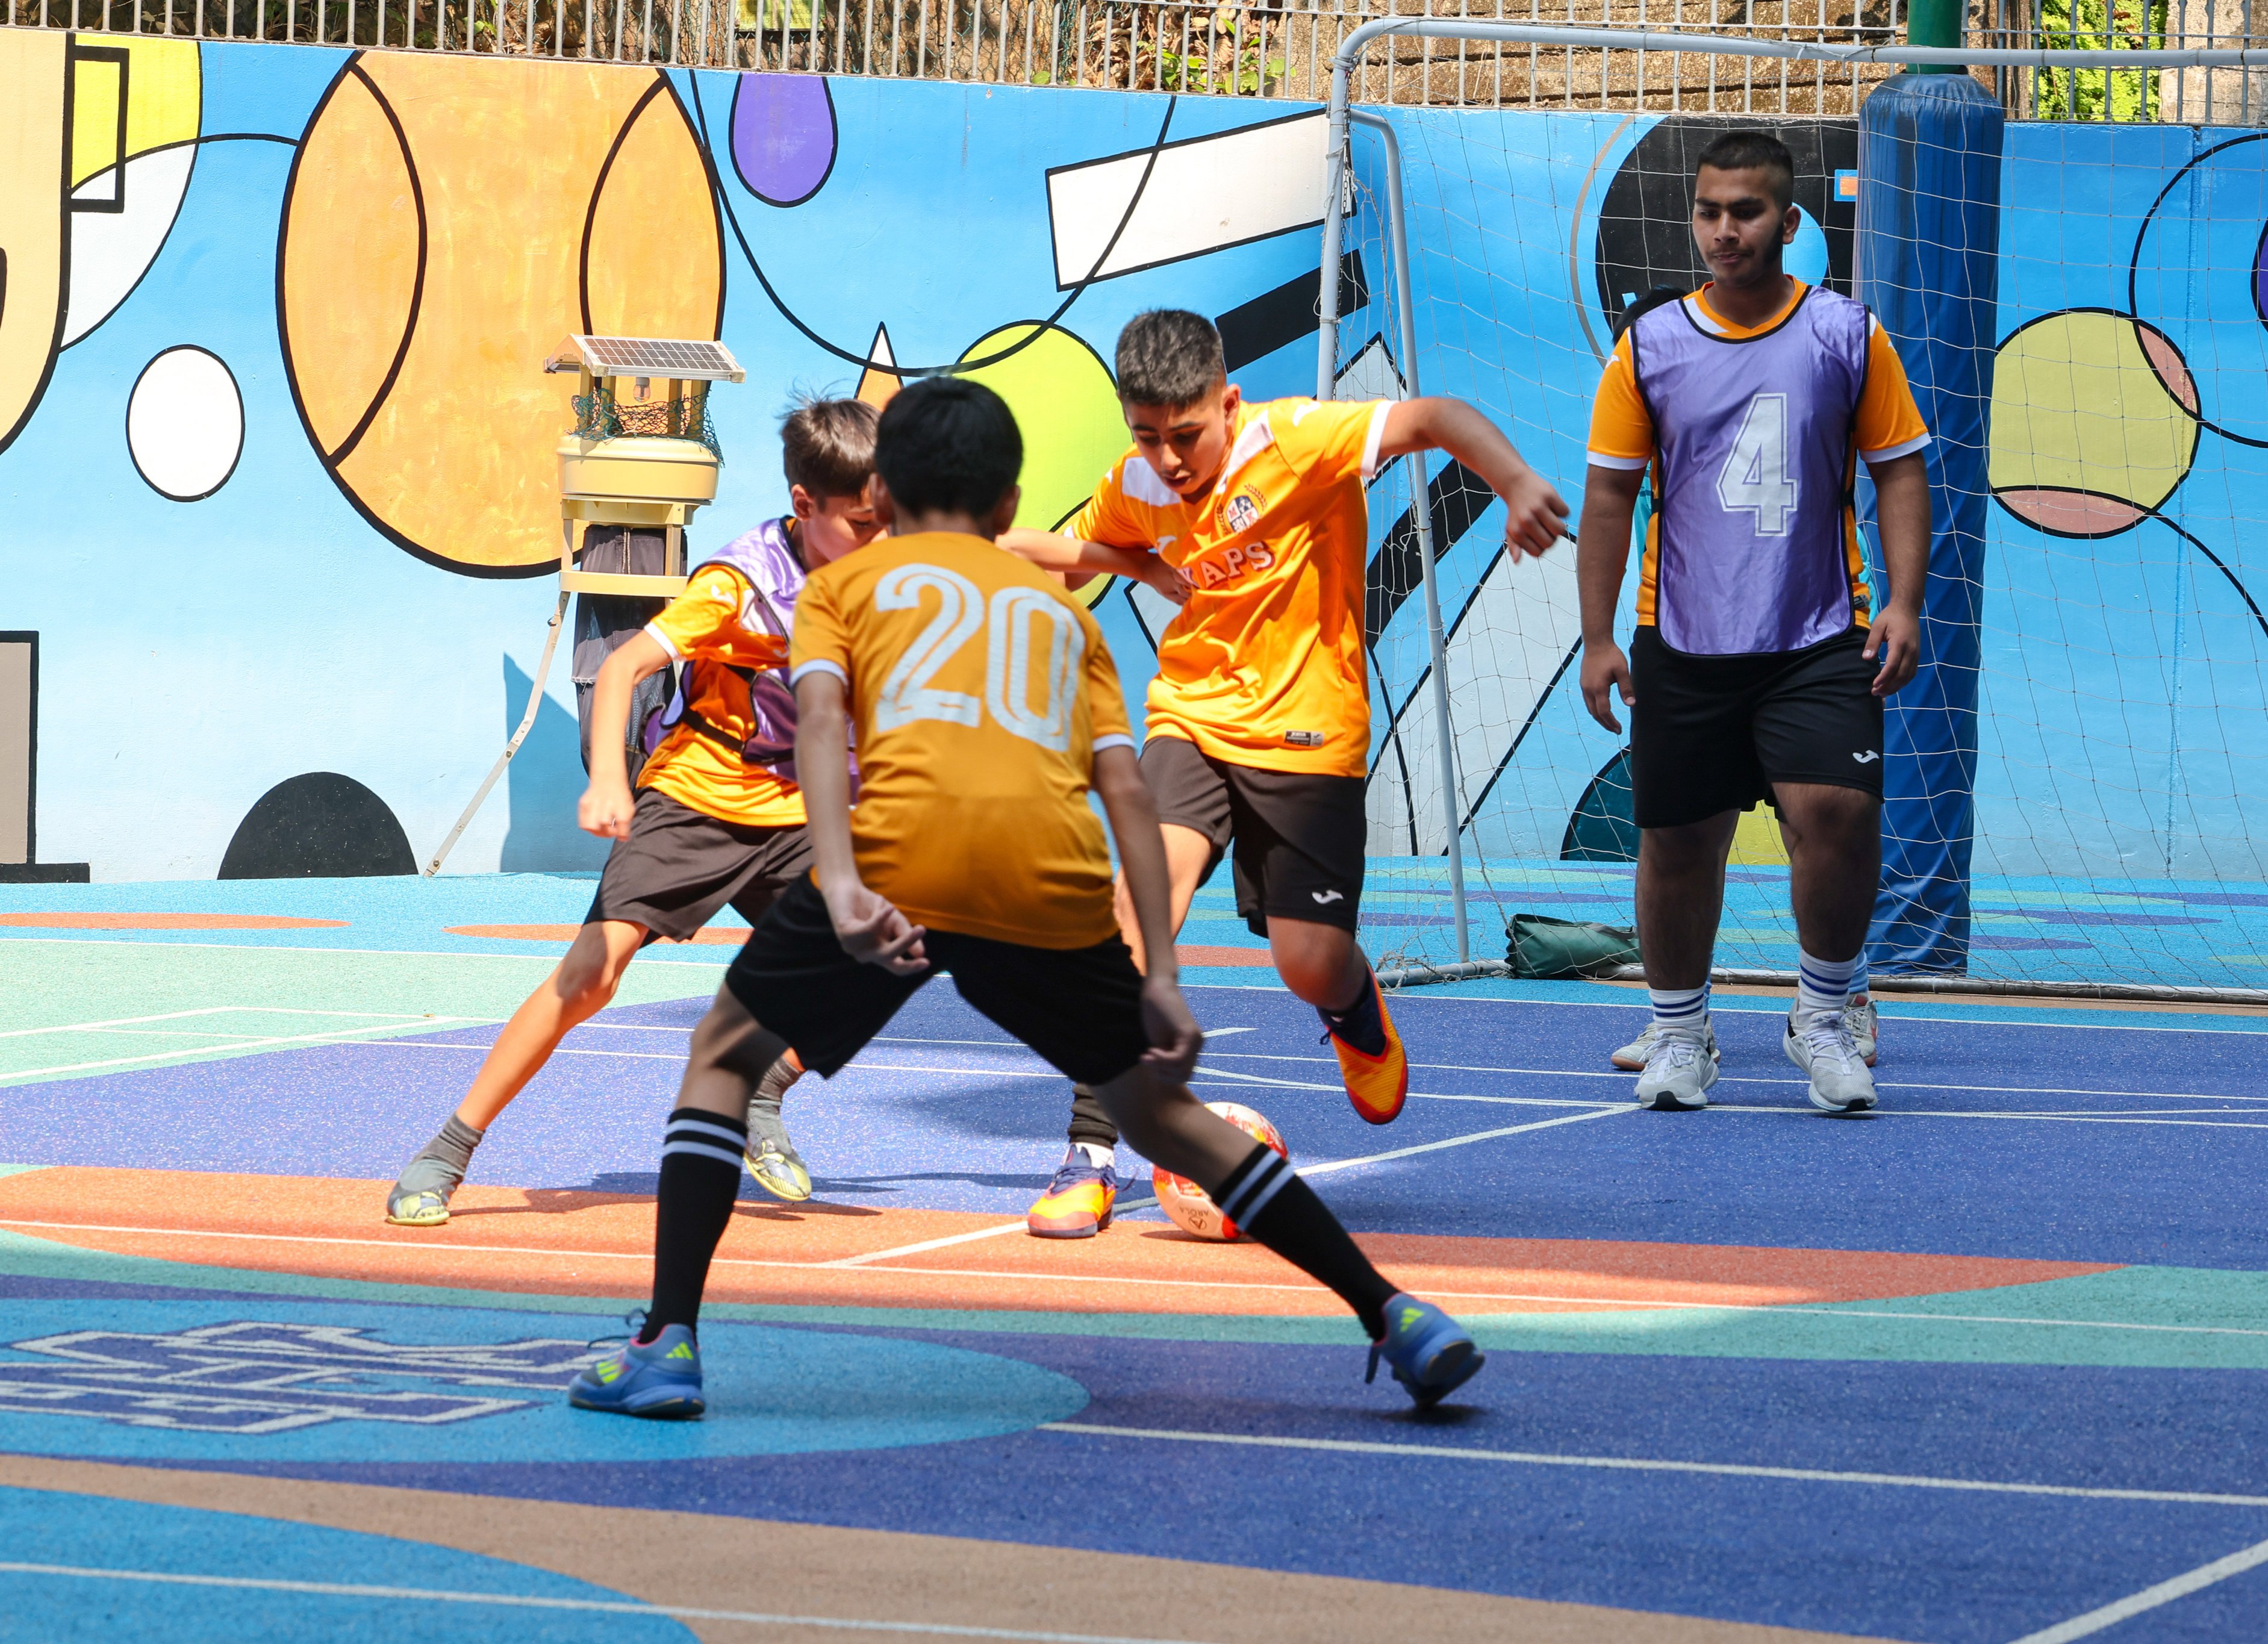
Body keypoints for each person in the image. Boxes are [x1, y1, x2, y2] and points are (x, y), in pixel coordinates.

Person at [564, 378, 1485, 1418]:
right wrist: (1164, 979)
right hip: (1044, 883)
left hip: (900, 863)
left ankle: (667, 1343)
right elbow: (1127, 789)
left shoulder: (840, 593)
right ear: (1009, 511)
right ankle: (1394, 1312)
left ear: (887, 497)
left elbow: (821, 731)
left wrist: (841, 876)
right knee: (1164, 1118)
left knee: (722, 1057)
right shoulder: (1059, 619)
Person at [998, 308, 1570, 1238]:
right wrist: (1123, 569)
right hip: (1190, 717)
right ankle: (1091, 1151)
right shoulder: (1137, 480)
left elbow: (1435, 417)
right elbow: (1100, 545)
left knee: (1305, 960)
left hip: (1309, 730)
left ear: (1228, 402)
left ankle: (1350, 1000)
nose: (1171, 457)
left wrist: (1513, 482)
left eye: (1187, 434)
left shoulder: (1299, 437)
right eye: (1148, 435)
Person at [384, 399, 885, 1225]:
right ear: (806, 506)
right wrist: (610, 780)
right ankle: (448, 1148)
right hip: (700, 795)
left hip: (800, 807)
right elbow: (621, 670)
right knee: (591, 975)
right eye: (864, 524)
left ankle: (761, 1085)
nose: (882, 538)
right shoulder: (741, 583)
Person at [1575, 131, 1931, 1115]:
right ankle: (1682, 1033)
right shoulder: (1649, 346)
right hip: (1684, 636)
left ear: (1788, 220)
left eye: (1746, 212)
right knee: (1679, 840)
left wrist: (1902, 600)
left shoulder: (1847, 337)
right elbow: (1608, 497)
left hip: (1817, 631)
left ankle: (1822, 1016)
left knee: (1838, 813)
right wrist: (1600, 636)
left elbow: (1901, 466)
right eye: (1708, 212)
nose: (1724, 231)